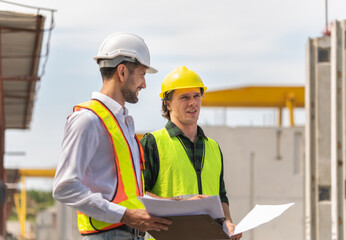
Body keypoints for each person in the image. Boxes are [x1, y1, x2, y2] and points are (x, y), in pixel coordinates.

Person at [53, 32, 171, 240]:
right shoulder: (87, 120)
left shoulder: (122, 124)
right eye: (142, 74)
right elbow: (65, 187)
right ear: (123, 72)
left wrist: (180, 205)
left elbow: (129, 196)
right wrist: (124, 215)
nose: (144, 84)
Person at [140, 66, 242, 240]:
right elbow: (138, 193)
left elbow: (221, 196)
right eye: (184, 97)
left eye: (196, 96)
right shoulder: (152, 143)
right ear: (167, 103)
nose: (193, 102)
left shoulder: (214, 147)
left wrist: (229, 222)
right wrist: (182, 205)